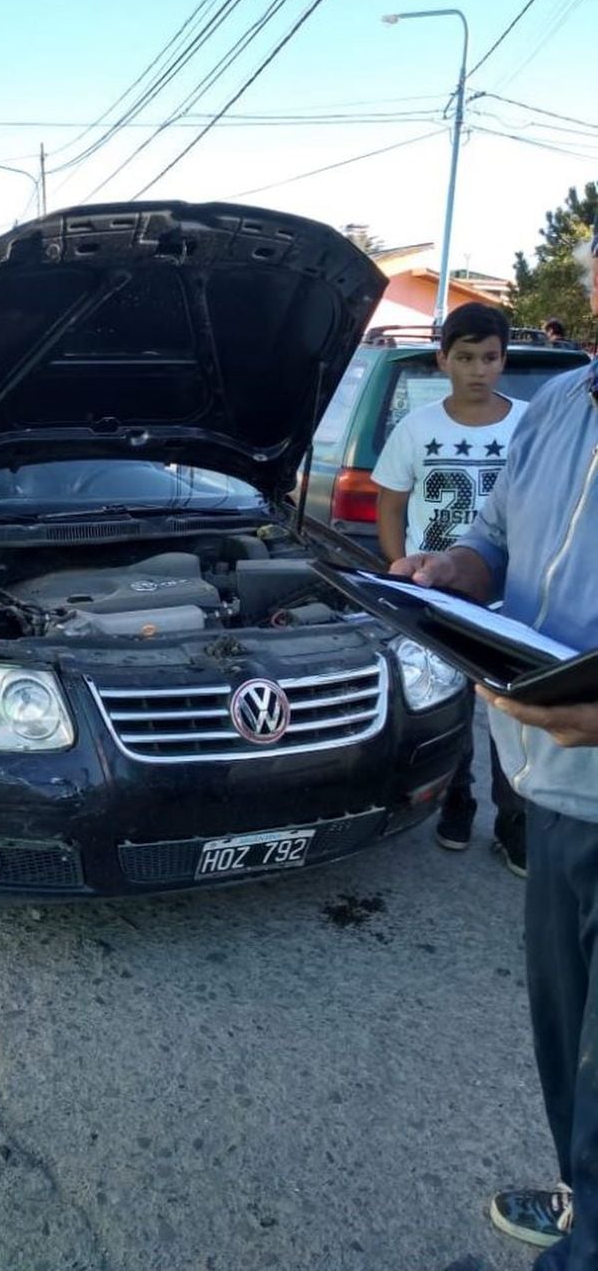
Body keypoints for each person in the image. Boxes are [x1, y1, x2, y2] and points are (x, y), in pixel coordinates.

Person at [403, 232, 598, 1270]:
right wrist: (454, 567)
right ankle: (583, 1201)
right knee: (568, 1052)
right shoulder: (564, 400)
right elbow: (501, 534)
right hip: (553, 782)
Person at [372, 302, 527, 874]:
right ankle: (454, 808)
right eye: (465, 357)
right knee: (446, 705)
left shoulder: (530, 423)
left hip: (516, 598)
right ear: (444, 360)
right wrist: (402, 568)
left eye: (489, 357)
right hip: (439, 597)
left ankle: (516, 825)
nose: (478, 370)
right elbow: (391, 502)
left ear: (502, 360)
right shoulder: (417, 429)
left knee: (514, 713)